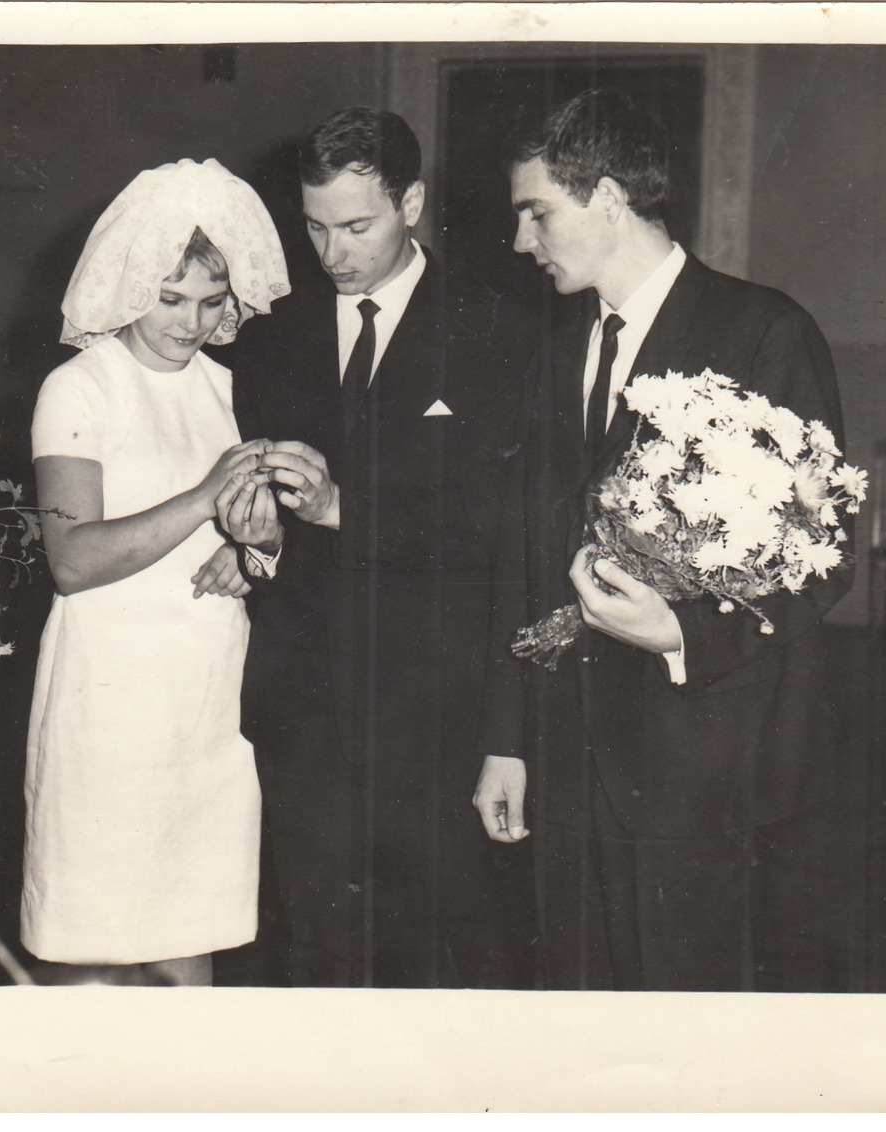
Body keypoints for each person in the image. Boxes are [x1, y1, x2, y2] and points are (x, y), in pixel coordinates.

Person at [474, 88, 857, 992]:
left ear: (606, 198)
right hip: (564, 764)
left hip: (698, 766)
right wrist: (508, 739)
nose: (522, 242)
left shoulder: (762, 331)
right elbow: (521, 553)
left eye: (537, 213)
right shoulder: (552, 345)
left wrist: (683, 634)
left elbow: (824, 552)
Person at [221, 108, 538, 988]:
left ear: (413, 202)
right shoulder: (268, 336)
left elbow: (493, 531)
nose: (333, 254)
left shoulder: (499, 331)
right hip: (304, 710)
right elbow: (266, 531)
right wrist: (256, 539)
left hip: (433, 711)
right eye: (315, 228)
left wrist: (339, 510)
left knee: (439, 955)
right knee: (316, 954)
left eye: (357, 226)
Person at [20, 158, 290, 986]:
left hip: (203, 700)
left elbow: (267, 530)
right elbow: (72, 560)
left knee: (189, 948)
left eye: (211, 302)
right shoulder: (78, 388)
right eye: (170, 299)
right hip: (108, 703)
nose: (189, 322)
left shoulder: (232, 385)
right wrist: (206, 498)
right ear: (133, 281)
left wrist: (254, 551)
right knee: (92, 951)